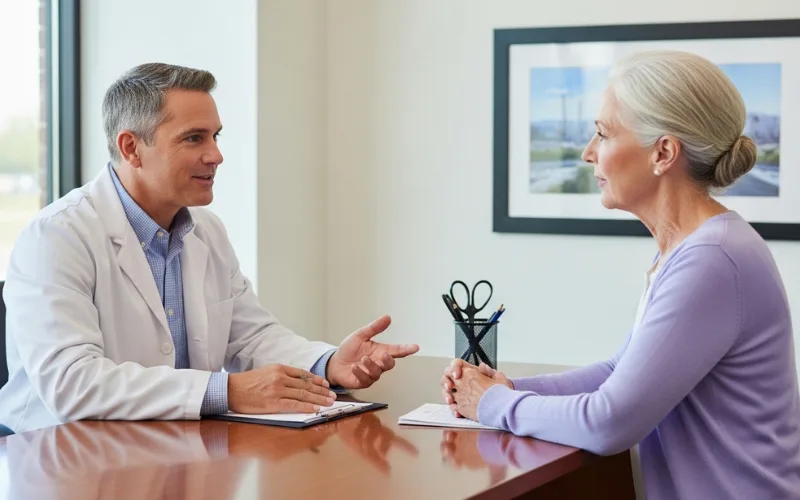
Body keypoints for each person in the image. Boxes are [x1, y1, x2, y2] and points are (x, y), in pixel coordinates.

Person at [441, 50, 800, 499]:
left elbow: (611, 421)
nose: (588, 154)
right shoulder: (694, 248)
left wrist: (494, 404)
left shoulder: (712, 260)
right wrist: (509, 387)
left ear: (663, 152)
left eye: (603, 135)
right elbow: (618, 372)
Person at [0, 62, 419, 435]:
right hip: (59, 458)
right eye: (194, 138)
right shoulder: (56, 237)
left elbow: (250, 337)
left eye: (215, 136)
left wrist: (327, 364)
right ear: (131, 148)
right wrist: (227, 390)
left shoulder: (205, 230)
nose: (216, 155)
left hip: (170, 449)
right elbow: (71, 383)